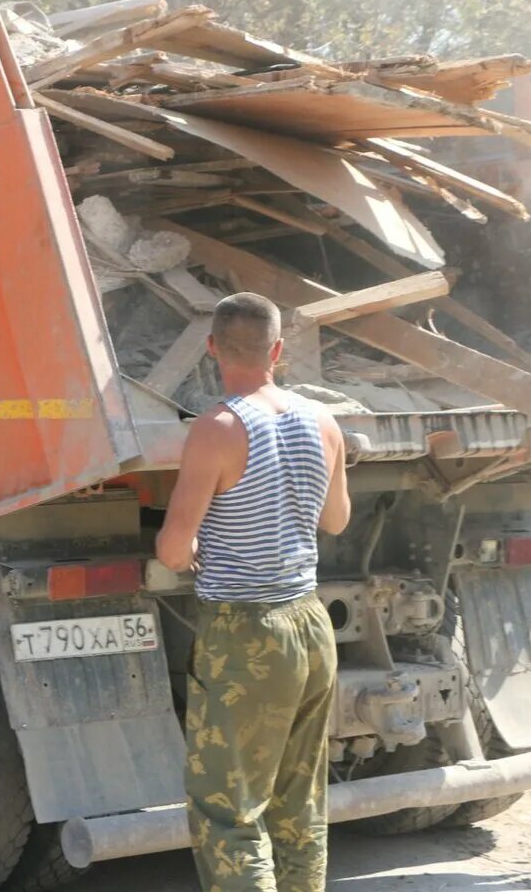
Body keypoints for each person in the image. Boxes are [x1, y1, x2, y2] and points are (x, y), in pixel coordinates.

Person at [156, 292, 351, 892]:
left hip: (244, 633)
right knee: (301, 803)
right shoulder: (323, 422)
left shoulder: (217, 428)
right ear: (278, 350)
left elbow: (172, 548)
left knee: (229, 809)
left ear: (212, 349)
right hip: (311, 625)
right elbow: (336, 520)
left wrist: (188, 548)